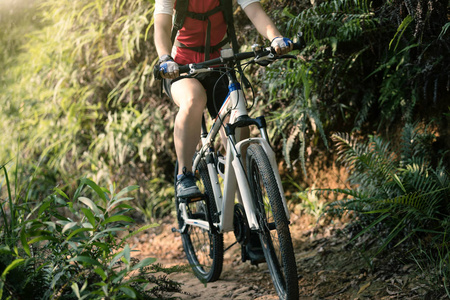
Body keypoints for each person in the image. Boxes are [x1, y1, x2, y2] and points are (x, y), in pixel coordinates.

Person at [154, 0, 293, 198]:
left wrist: (276, 38)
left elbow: (255, 11)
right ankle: (184, 175)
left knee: (238, 126)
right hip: (181, 66)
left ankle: (247, 207)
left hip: (220, 64)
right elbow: (161, 24)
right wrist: (165, 58)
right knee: (193, 99)